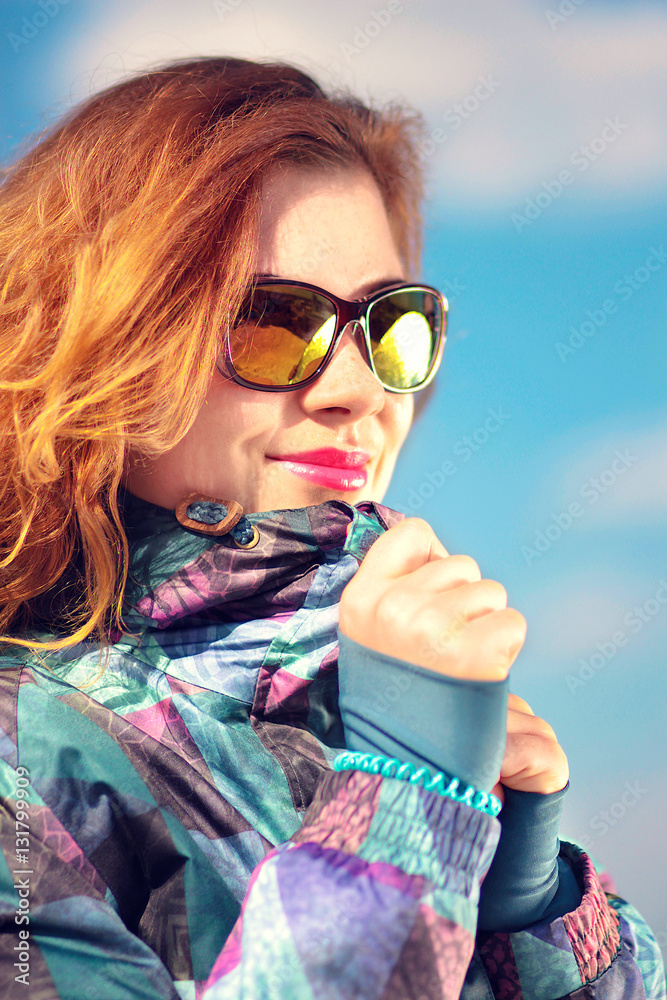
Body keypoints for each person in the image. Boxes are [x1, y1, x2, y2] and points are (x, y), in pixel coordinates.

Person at [0, 56, 663, 1000]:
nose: (358, 394)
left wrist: (528, 912)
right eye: (272, 322)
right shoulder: (20, 761)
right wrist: (406, 798)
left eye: (393, 326)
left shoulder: (357, 698)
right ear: (103, 344)